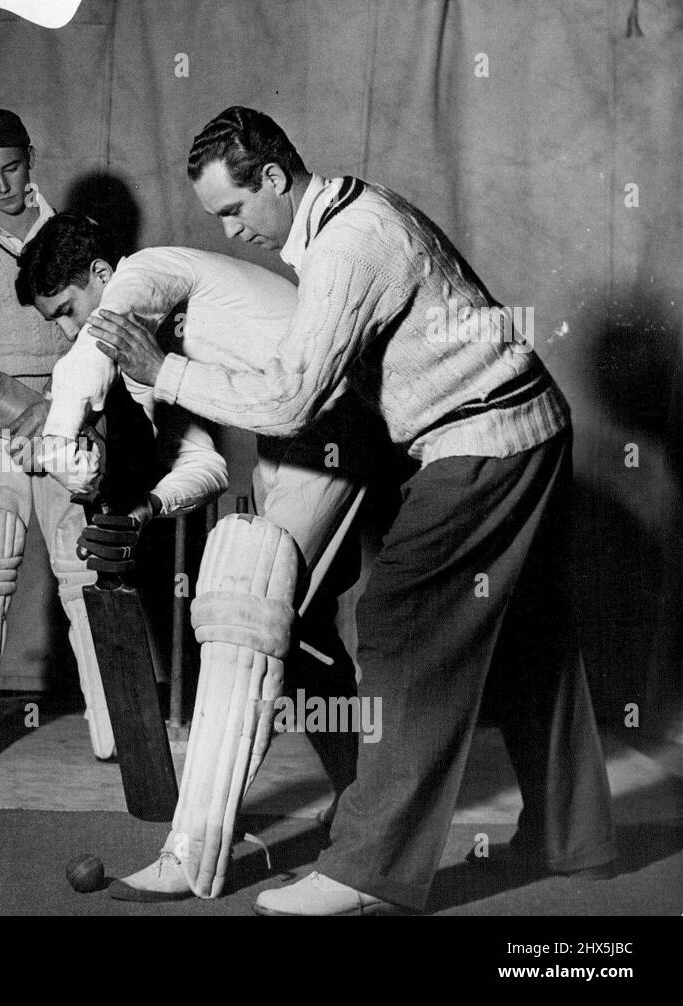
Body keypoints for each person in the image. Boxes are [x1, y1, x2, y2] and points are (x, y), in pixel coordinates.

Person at [84, 106, 617, 914]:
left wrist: (162, 371)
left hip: (486, 438)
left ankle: (367, 875)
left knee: (402, 624)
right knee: (527, 640)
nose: (233, 232)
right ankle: (572, 840)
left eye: (234, 209)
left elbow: (294, 400)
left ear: (274, 178)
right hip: (527, 424)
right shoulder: (350, 211)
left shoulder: (347, 245)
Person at [18, 212, 367, 900]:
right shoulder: (142, 358)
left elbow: (78, 366)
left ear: (102, 277)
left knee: (244, 607)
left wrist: (65, 450)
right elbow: (202, 463)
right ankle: (362, 804)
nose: (68, 328)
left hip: (342, 417)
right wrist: (142, 508)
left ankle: (193, 850)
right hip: (290, 442)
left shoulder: (150, 271)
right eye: (54, 320)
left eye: (68, 308)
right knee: (300, 635)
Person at [0, 109, 115, 771]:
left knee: (84, 572)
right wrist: (18, 409)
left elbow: (104, 330)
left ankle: (115, 726)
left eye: (11, 168)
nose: (1, 185)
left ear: (30, 158)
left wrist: (64, 409)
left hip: (72, 414)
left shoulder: (76, 237)